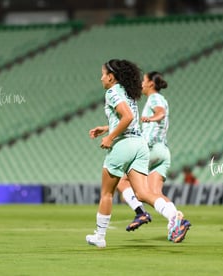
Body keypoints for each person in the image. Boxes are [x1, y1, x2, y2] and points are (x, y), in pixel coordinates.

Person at [86, 60, 190, 248]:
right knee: (143, 193)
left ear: (111, 76)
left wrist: (110, 137)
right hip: (140, 145)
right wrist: (105, 128)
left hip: (123, 146)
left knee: (107, 193)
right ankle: (174, 217)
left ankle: (100, 237)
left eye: (103, 74)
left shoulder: (112, 92)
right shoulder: (129, 93)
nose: (101, 78)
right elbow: (129, 120)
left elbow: (128, 117)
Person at [116, 72, 191, 237]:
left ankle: (139, 212)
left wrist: (152, 118)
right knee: (152, 193)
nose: (141, 83)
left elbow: (161, 112)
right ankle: (176, 219)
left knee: (120, 181)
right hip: (162, 152)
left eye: (144, 80)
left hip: (149, 149)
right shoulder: (158, 98)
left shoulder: (155, 98)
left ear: (150, 83)